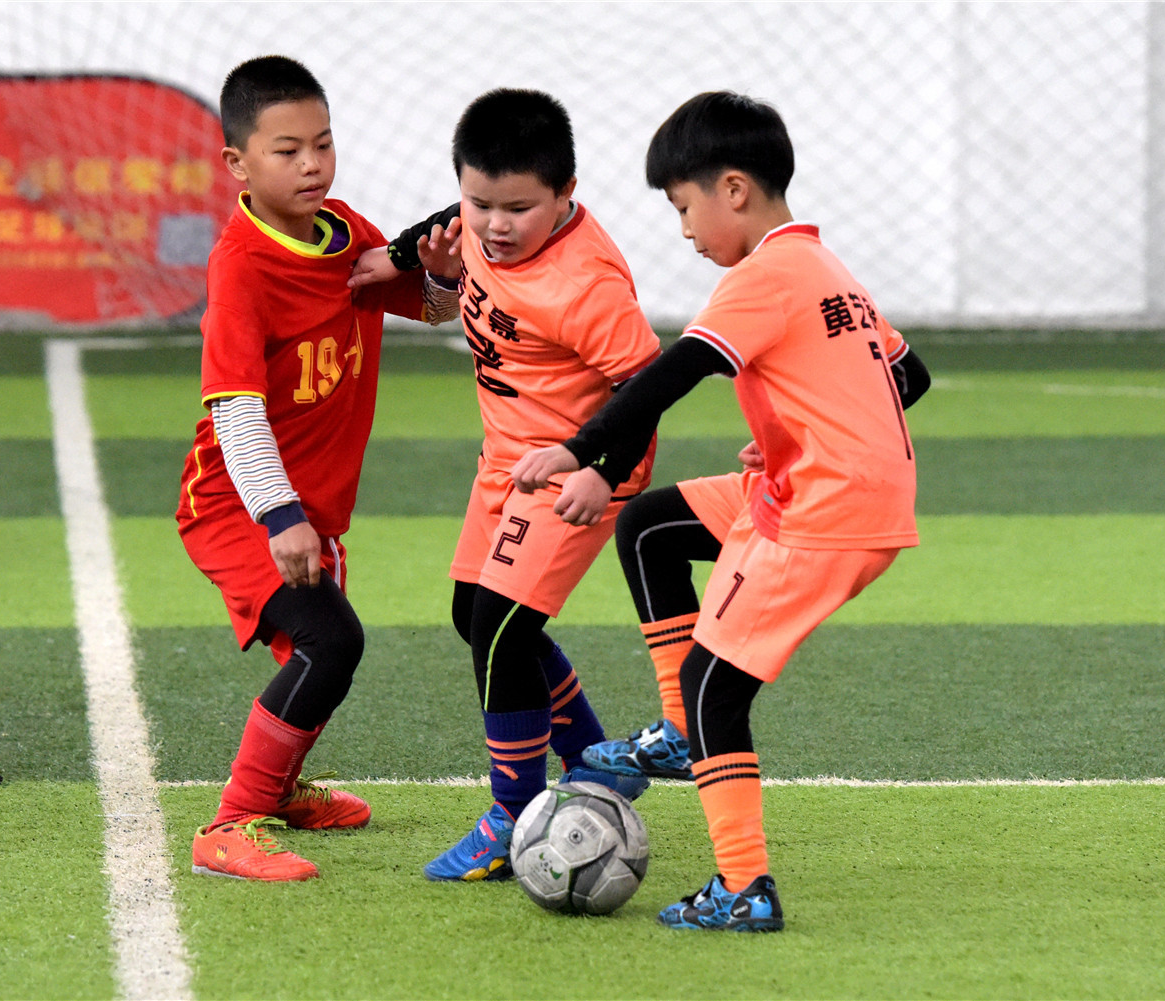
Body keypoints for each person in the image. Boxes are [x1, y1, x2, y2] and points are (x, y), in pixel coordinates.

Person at [512, 91, 931, 930]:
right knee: (652, 527)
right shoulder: (822, 266)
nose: (686, 231)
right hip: (824, 484)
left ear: (733, 189)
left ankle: (744, 886)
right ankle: (676, 733)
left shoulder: (764, 276)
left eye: (684, 207)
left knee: (715, 683)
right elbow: (909, 378)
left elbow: (669, 374)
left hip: (825, 509)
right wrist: (801, 427)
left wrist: (580, 450)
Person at [352, 88, 660, 882]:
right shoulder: (473, 227)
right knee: (475, 616)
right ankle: (602, 765)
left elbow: (645, 389)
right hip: (505, 461)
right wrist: (376, 270)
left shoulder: (588, 285)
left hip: (576, 470)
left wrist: (600, 469)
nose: (493, 224)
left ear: (566, 194)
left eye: (518, 208)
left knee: (499, 627)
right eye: (478, 200)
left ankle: (513, 811)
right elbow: (410, 247)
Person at [176, 55, 462, 882]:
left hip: (311, 504)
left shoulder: (348, 232)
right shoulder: (240, 264)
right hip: (235, 503)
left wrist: (439, 272)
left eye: (323, 144)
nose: (312, 164)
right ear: (237, 164)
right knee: (329, 640)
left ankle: (286, 787)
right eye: (287, 149)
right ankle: (231, 824)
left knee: (317, 654)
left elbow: (433, 310)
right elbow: (236, 408)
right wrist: (278, 515)